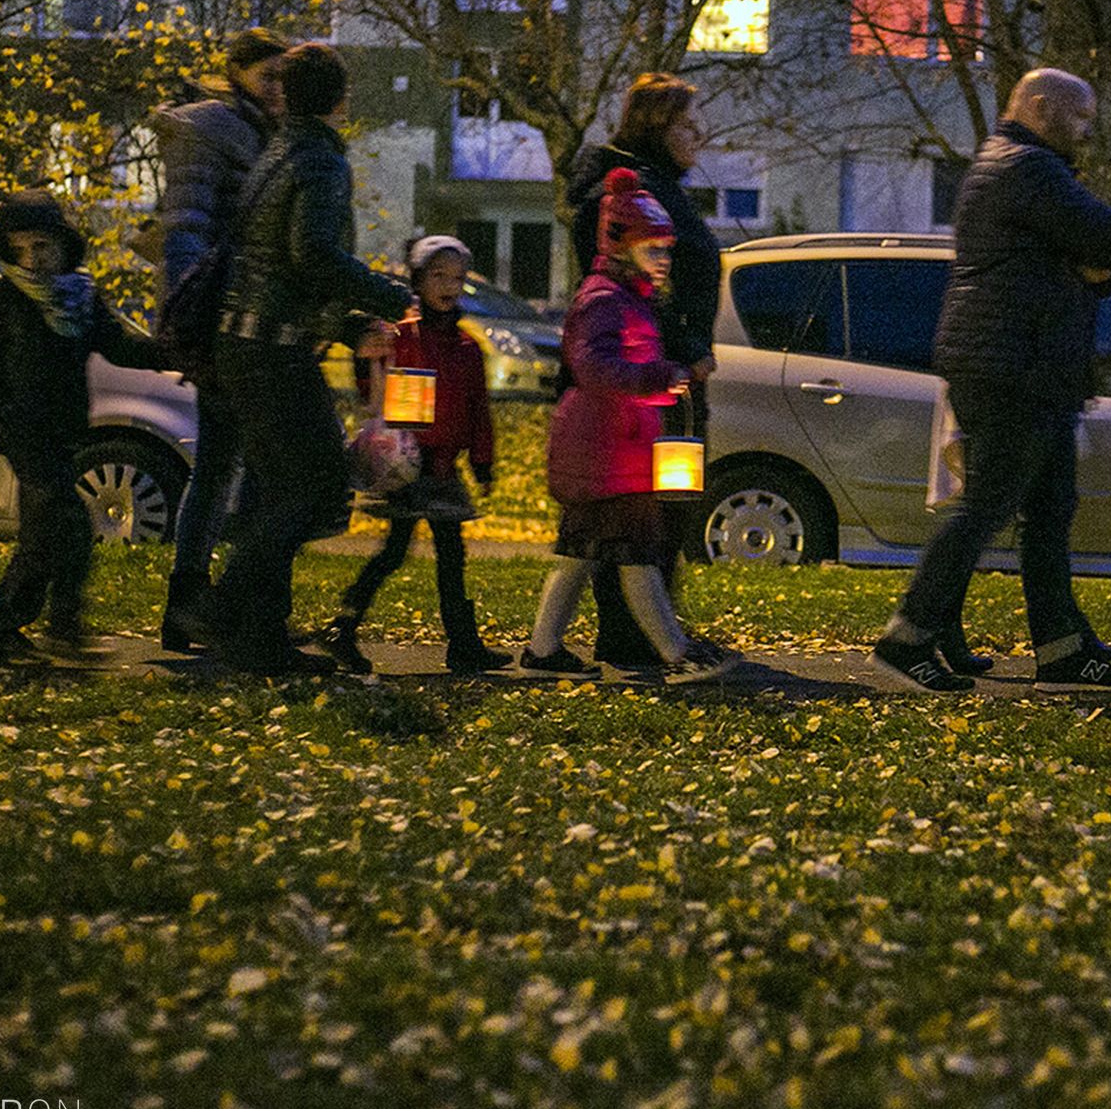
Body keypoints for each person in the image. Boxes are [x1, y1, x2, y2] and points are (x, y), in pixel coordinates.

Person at [869, 68, 1111, 693]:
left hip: (1021, 363)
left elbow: (1098, 260)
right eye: (1079, 118)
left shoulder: (1007, 167)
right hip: (1015, 365)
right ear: (1041, 107)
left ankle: (1061, 652)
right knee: (988, 506)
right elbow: (1110, 238)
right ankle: (903, 639)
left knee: (1047, 511)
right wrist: (1092, 259)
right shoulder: (1029, 169)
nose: (1086, 133)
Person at [201, 43, 411, 674]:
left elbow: (276, 263)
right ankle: (228, 609)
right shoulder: (318, 159)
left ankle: (256, 636)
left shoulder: (275, 151)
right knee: (318, 491)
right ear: (341, 98)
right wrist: (388, 295)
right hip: (275, 352)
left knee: (279, 494)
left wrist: (347, 326)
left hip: (247, 342)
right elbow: (312, 255)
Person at [523, 169, 738, 684]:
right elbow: (594, 368)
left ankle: (542, 649)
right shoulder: (603, 301)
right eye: (654, 249)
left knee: (577, 554)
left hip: (613, 446)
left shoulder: (628, 299)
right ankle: (674, 653)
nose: (665, 260)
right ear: (621, 246)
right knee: (638, 555)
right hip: (606, 448)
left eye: (667, 249)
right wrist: (661, 377)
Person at [0, 191, 168, 665]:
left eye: (40, 246)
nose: (32, 259)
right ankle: (25, 629)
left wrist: (174, 355)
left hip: (63, 429)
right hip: (23, 429)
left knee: (57, 534)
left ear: (62, 245)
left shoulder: (81, 299)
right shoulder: (5, 298)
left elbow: (119, 347)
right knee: (63, 530)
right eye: (20, 249)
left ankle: (39, 630)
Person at [565, 73, 722, 670]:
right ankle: (633, 638)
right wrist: (684, 347)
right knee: (642, 508)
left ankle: (656, 632)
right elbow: (629, 283)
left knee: (666, 506)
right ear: (657, 126)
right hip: (646, 376)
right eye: (687, 123)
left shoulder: (661, 188)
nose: (699, 135)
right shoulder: (625, 195)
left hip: (670, 370)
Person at [150, 26, 289, 651]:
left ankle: (216, 601)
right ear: (237, 75)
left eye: (285, 78)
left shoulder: (270, 134)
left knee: (238, 462)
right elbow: (185, 229)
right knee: (223, 465)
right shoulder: (211, 132)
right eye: (268, 77)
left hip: (250, 322)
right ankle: (197, 599)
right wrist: (189, 321)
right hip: (221, 323)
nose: (279, 89)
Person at [321, 235, 510, 676]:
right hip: (406, 465)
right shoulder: (402, 336)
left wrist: (482, 463)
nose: (449, 286)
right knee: (393, 551)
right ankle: (344, 627)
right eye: (438, 276)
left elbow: (478, 410)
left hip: (444, 467)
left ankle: (463, 643)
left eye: (458, 278)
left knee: (451, 557)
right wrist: (371, 354)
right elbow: (374, 384)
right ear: (419, 280)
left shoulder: (466, 348)